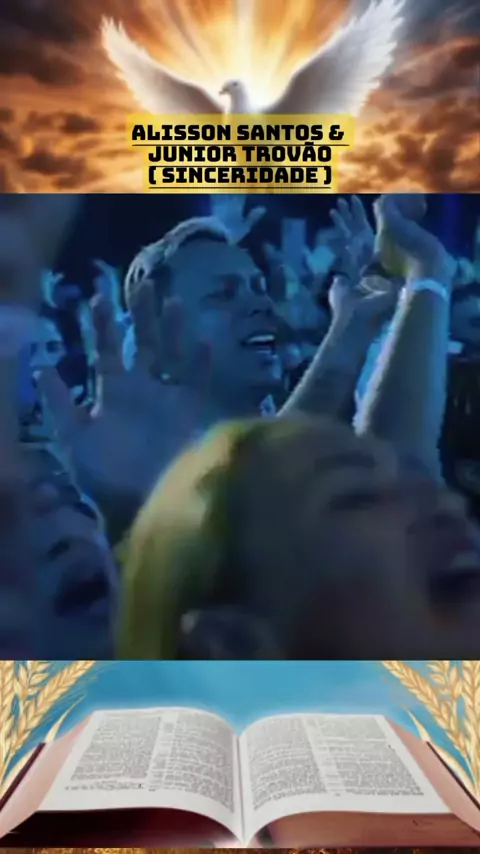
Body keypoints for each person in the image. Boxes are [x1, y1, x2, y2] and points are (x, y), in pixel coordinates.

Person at [118, 195, 480, 660]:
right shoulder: (141, 488)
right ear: (157, 336)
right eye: (223, 294)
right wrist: (372, 313)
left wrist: (407, 288)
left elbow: (398, 452)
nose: (258, 303)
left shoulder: (315, 437)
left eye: (257, 287)